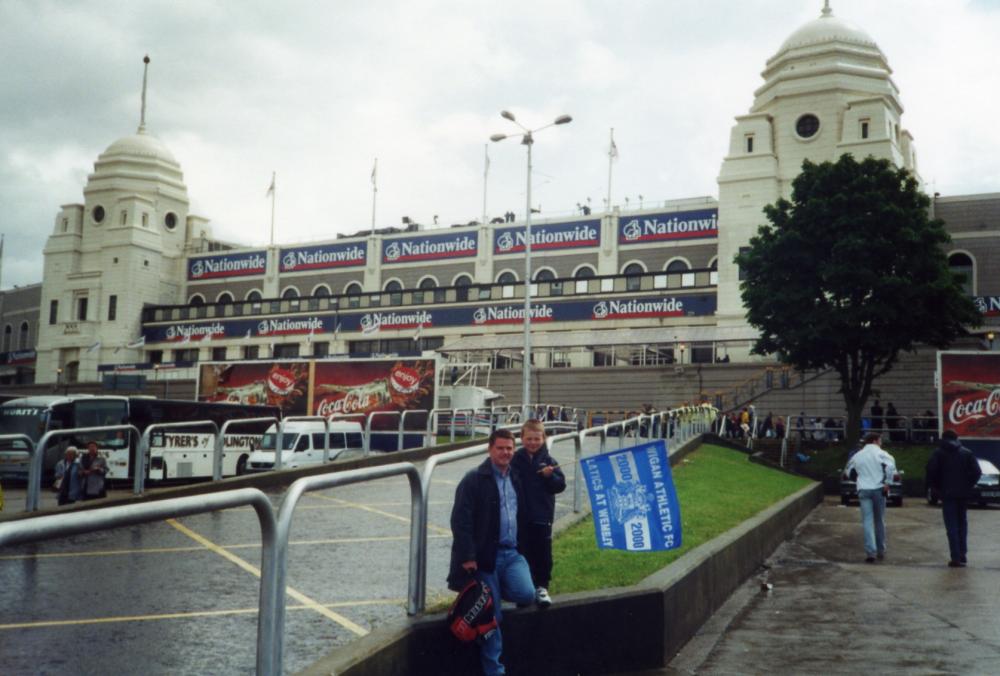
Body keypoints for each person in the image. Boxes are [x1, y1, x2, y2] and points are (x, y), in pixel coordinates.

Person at [448, 429, 535, 675]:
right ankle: (494, 670)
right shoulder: (474, 479)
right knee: (492, 615)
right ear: (490, 449)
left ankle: (494, 591)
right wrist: (468, 557)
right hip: (485, 558)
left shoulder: (515, 477)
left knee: (527, 594)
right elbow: (460, 521)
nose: (506, 452)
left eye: (510, 448)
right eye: (500, 448)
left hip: (511, 554)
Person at [511, 419, 566, 608]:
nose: (533, 443)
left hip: (542, 517)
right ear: (522, 438)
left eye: (537, 439)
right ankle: (524, 587)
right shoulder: (515, 460)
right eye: (529, 439)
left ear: (544, 438)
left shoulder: (550, 462)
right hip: (520, 517)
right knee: (522, 552)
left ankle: (542, 587)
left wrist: (550, 477)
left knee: (542, 553)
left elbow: (560, 486)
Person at [925, 430, 982, 567]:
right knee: (962, 523)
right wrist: (968, 485)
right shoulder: (966, 453)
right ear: (956, 438)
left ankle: (955, 556)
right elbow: (977, 472)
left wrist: (936, 488)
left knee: (951, 526)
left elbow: (931, 472)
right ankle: (963, 554)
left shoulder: (938, 453)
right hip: (963, 494)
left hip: (947, 494)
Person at [845, 432, 897, 563]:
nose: (881, 442)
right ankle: (881, 549)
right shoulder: (883, 454)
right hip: (879, 489)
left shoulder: (857, 455)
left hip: (863, 489)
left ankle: (870, 552)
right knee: (879, 520)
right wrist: (888, 483)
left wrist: (859, 479)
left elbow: (848, 471)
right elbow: (890, 468)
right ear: (875, 441)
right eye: (880, 440)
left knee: (867, 521)